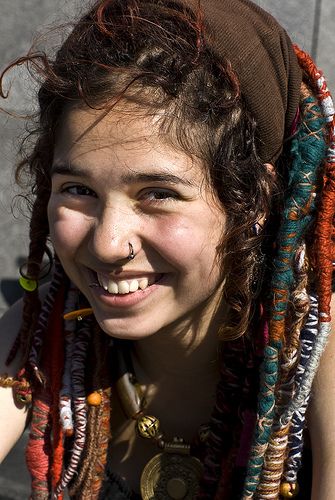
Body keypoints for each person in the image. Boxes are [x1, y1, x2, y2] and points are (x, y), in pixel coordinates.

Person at [0, 0, 334, 498]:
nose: (108, 243)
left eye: (158, 194)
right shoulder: (41, 328)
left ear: (255, 199)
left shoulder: (316, 346)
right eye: (78, 190)